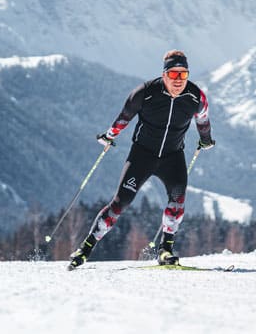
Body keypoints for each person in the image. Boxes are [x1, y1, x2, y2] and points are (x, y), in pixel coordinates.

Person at [68, 50, 215, 270]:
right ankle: (86, 248)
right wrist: (109, 136)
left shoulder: (196, 97)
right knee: (121, 202)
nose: (178, 81)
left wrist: (206, 140)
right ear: (164, 74)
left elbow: (203, 121)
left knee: (177, 203)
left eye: (183, 75)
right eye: (174, 75)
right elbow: (124, 117)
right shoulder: (145, 93)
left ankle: (166, 250)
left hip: (173, 157)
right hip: (142, 155)